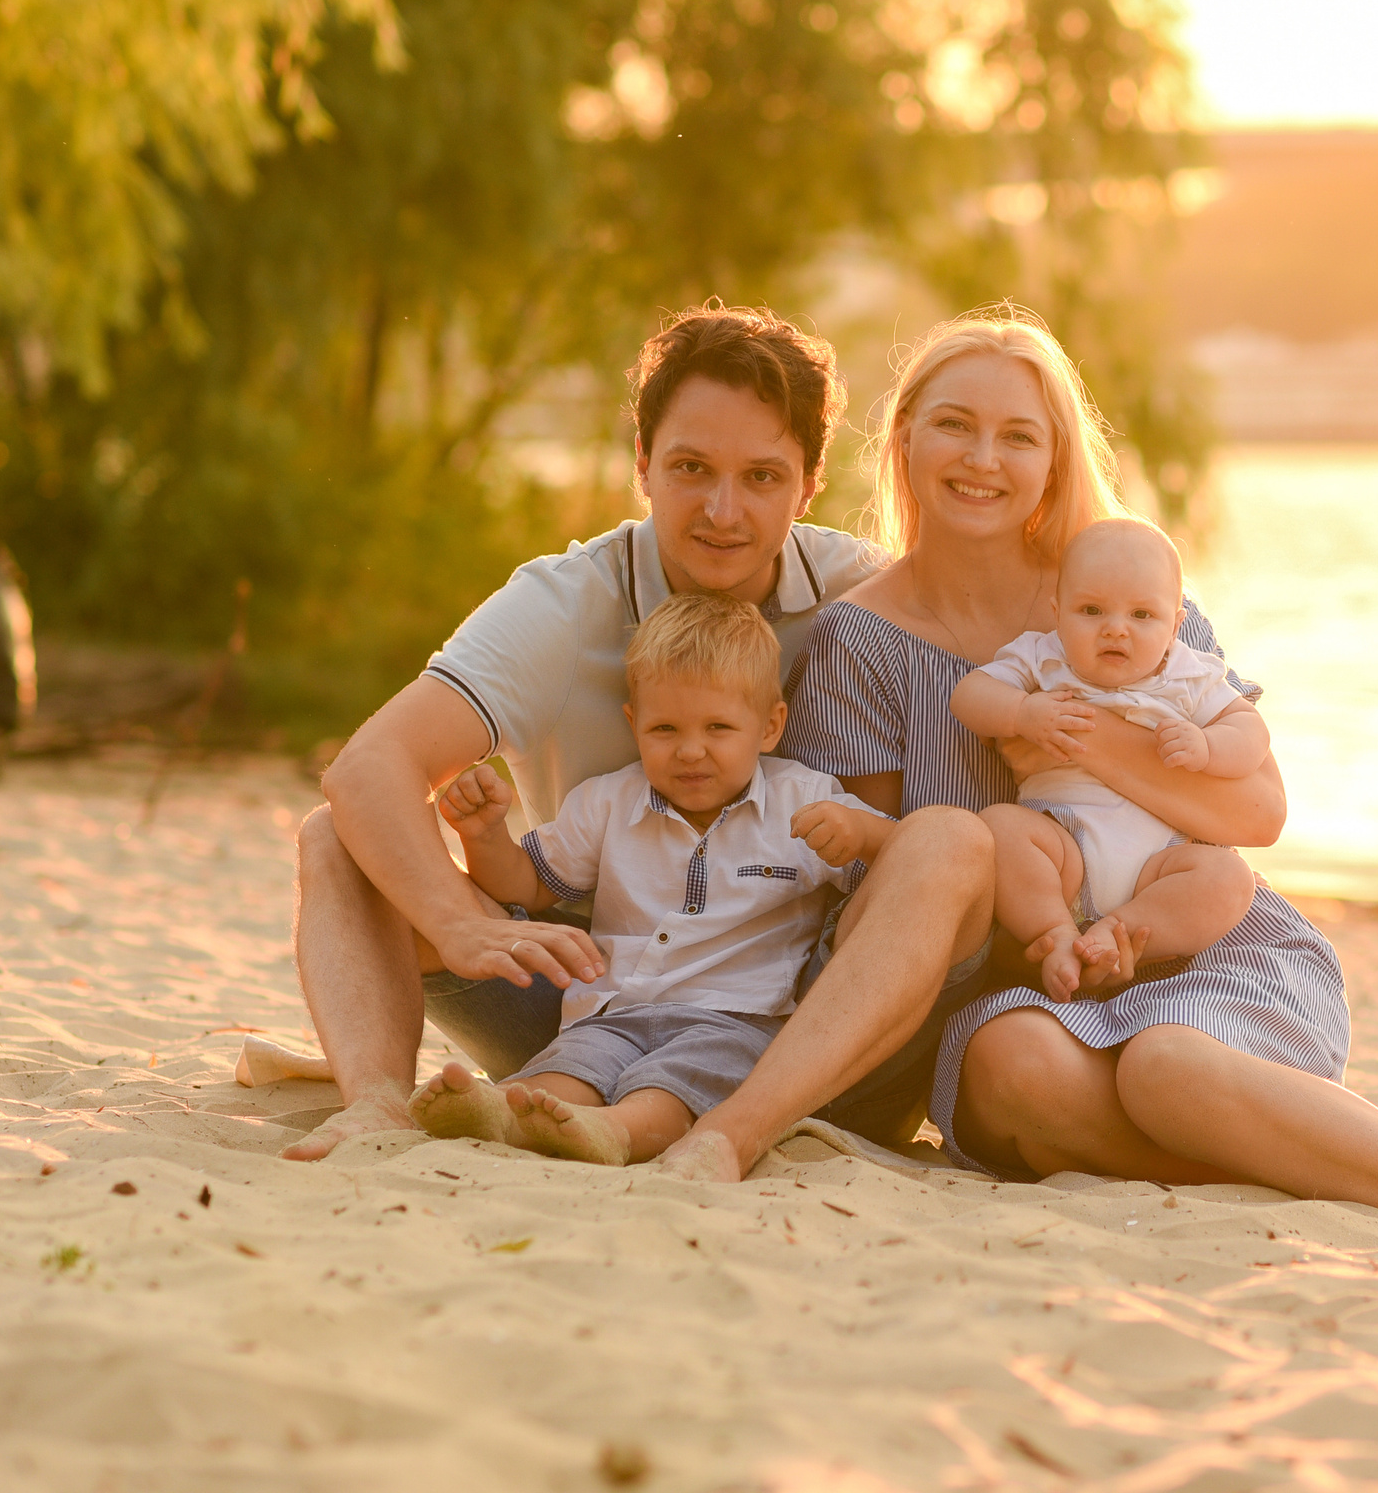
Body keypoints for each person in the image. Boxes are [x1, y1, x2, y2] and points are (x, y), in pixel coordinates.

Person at [782, 308, 1378, 1232]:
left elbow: (1259, 812)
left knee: (1167, 1063)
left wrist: (1086, 743)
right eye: (955, 424)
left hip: (1199, 935)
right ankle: (1285, 1155)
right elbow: (881, 890)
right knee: (1009, 1068)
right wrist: (1054, 931)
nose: (983, 458)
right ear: (906, 434)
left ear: (1055, 460)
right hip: (1039, 980)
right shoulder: (858, 640)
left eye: (1019, 436)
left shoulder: (1135, 598)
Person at [283, 304, 996, 1177]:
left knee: (953, 841)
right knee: (337, 837)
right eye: (692, 468)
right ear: (643, 464)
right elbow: (368, 768)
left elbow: (1043, 644)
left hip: (808, 1013)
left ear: (809, 485)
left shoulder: (867, 594)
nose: (723, 511)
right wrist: (456, 922)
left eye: (762, 477)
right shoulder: (565, 603)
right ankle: (376, 1106)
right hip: (597, 1003)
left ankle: (733, 1128)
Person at [407, 593, 897, 1166]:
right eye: (665, 728)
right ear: (633, 723)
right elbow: (526, 886)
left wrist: (863, 833)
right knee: (571, 1065)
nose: (691, 751)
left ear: (769, 726)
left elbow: (908, 867)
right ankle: (511, 1117)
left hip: (737, 1022)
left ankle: (614, 1132)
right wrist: (484, 836)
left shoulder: (803, 799)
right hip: (615, 1011)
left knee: (674, 1087)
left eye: (718, 727)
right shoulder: (609, 800)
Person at [951, 517, 1263, 1001]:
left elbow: (1251, 732)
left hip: (1156, 867)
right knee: (1000, 828)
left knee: (1230, 878)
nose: (1116, 629)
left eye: (1142, 615)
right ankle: (1056, 932)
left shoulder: (1189, 675)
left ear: (1175, 625)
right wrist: (1023, 712)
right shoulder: (1043, 657)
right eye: (1092, 610)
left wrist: (1208, 746)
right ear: (1058, 613)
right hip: (1061, 849)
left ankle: (1118, 933)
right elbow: (969, 696)